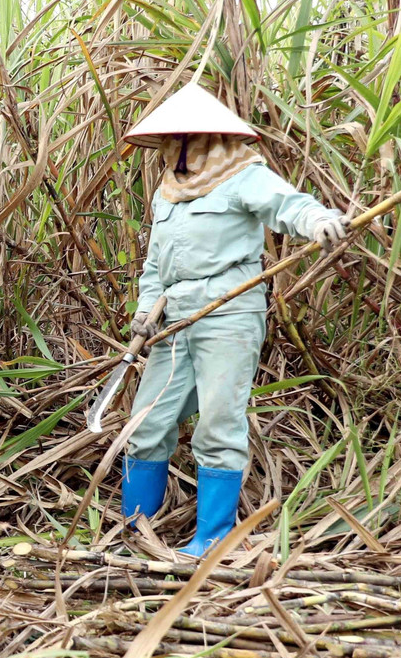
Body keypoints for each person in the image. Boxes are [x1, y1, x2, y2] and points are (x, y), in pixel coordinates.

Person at [118, 83, 347, 556]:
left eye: (184, 138)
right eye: (170, 140)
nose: (175, 150)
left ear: (209, 137)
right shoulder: (168, 194)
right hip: (173, 320)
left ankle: (212, 538)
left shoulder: (245, 175)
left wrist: (319, 221)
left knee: (219, 424)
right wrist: (145, 310)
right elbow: (156, 266)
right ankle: (135, 532)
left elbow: (290, 206)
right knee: (146, 423)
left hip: (228, 313)